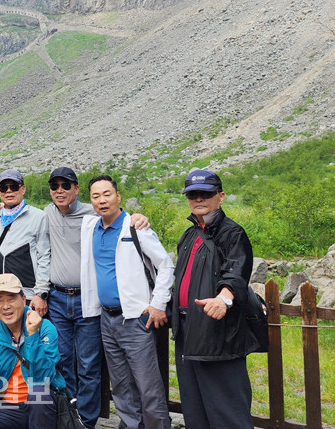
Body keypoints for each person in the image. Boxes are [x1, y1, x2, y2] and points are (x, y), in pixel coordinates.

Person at [44, 166, 149, 428]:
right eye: (55, 186)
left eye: (65, 185)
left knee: (89, 365)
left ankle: (87, 422)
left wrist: (139, 217)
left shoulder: (93, 213)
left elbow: (119, 217)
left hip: (87, 300)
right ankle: (68, 418)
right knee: (63, 361)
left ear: (77, 189)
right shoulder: (47, 213)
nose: (60, 191)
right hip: (57, 299)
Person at [80, 175, 174, 429]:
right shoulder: (91, 226)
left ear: (118, 196)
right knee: (121, 385)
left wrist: (158, 304)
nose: (102, 200)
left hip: (135, 319)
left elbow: (166, 265)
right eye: (96, 196)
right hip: (107, 318)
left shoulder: (134, 227)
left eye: (107, 194)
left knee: (148, 385)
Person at [171, 170, 257, 429]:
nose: (199, 199)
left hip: (217, 333)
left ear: (220, 196)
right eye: (192, 194)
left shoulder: (233, 234)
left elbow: (236, 272)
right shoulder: (189, 235)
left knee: (226, 409)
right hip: (187, 331)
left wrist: (224, 299)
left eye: (206, 193)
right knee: (195, 409)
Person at [0, 274, 62, 429]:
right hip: (8, 407)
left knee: (39, 393)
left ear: (23, 299)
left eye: (11, 298)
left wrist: (32, 336)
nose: (5, 306)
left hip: (42, 406)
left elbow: (43, 378)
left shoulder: (44, 328)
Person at [0, 169, 50, 315]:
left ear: (23, 189)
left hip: (29, 295)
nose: (9, 191)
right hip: (2, 293)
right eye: (4, 188)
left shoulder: (39, 217)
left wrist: (41, 293)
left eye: (14, 186)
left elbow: (44, 256)